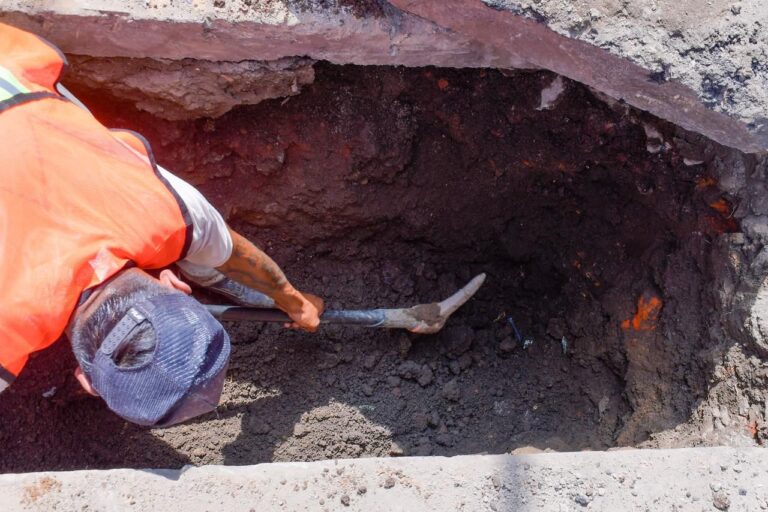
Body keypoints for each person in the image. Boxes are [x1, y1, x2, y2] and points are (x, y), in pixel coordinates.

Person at [0, 23, 323, 426]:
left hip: (14, 78)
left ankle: (202, 265)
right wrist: (288, 299)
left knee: (194, 240)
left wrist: (294, 300)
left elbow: (224, 244)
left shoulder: (160, 210)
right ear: (84, 381)